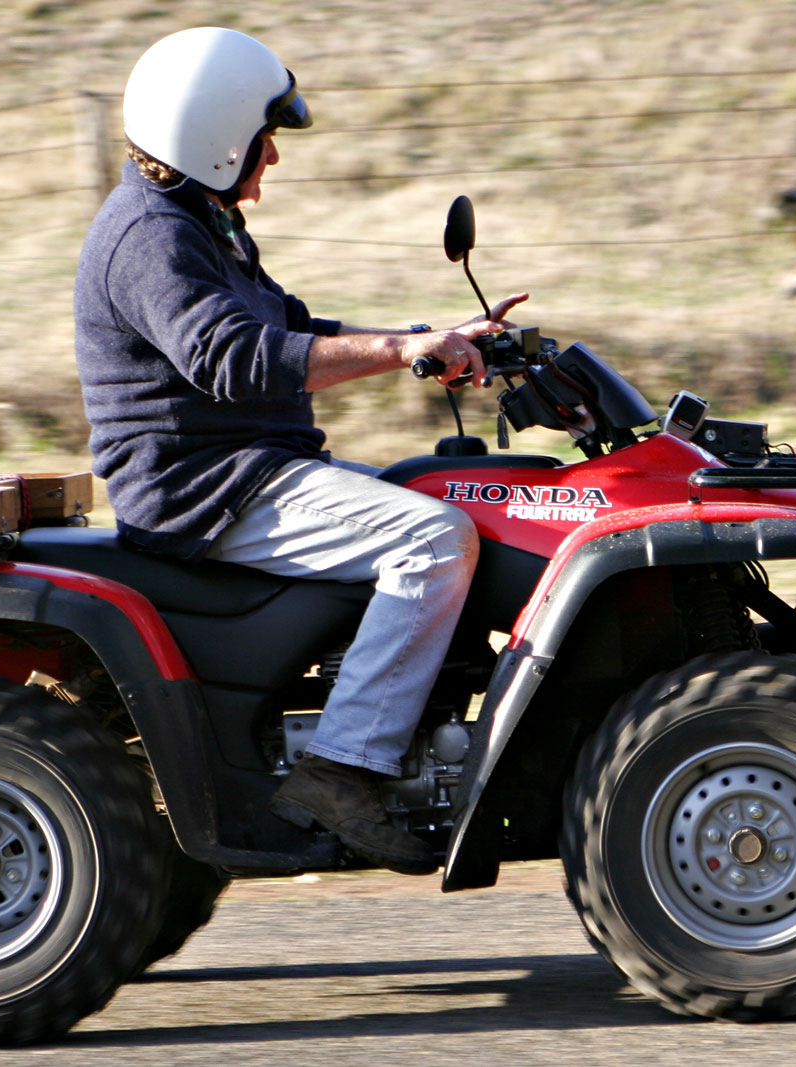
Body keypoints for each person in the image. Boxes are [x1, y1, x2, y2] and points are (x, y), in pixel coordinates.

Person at [73, 27, 527, 875]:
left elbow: (292, 328)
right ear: (214, 136)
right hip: (209, 490)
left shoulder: (201, 220)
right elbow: (234, 358)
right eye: (262, 136)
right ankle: (344, 767)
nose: (273, 156)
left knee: (453, 498)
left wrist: (426, 336)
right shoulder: (151, 238)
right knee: (431, 537)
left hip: (251, 470)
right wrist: (398, 352)